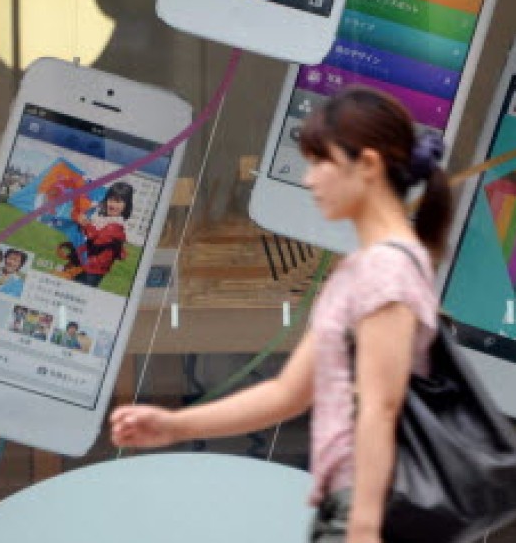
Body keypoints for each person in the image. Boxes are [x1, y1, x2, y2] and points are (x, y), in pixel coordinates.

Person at [110, 89, 453, 543]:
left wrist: (365, 526)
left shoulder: (385, 270)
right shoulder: (366, 268)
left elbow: (381, 407)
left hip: (369, 511)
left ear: (367, 166)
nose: (309, 180)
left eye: (321, 163)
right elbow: (288, 393)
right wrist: (175, 426)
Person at [76, 181, 133, 287]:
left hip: (94, 269)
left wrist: (85, 224)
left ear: (126, 206)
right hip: (87, 263)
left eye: (118, 201)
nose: (113, 205)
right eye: (111, 199)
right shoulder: (104, 219)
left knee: (82, 288)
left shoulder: (116, 225)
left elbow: (97, 239)